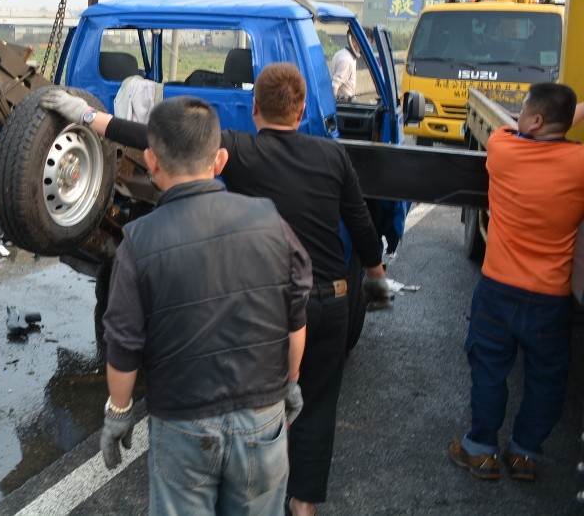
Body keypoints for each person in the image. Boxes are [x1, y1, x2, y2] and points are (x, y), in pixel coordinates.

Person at [43, 62, 390, 516]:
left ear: (254, 108)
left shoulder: (238, 152)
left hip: (261, 326)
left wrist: (86, 116)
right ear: (302, 109)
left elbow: (151, 135)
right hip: (331, 301)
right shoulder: (329, 160)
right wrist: (375, 276)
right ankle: (302, 506)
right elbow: (357, 225)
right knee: (316, 408)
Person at [98, 95, 312, 515]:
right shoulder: (270, 219)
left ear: (151, 160)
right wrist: (290, 380)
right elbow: (295, 313)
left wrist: (118, 411)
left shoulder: (138, 241)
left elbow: (123, 343)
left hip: (182, 425)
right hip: (262, 418)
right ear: (220, 160)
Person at [449, 82, 584, 483]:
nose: (517, 116)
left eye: (523, 110)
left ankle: (481, 450)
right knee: (546, 378)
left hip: (498, 291)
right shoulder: (579, 163)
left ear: (536, 120)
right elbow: (556, 123)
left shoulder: (504, 149)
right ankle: (525, 454)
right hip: (551, 298)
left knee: (489, 370)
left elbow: (515, 129)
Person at [329, 31, 360, 100]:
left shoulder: (341, 53)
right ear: (354, 40)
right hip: (345, 103)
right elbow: (335, 84)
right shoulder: (347, 60)